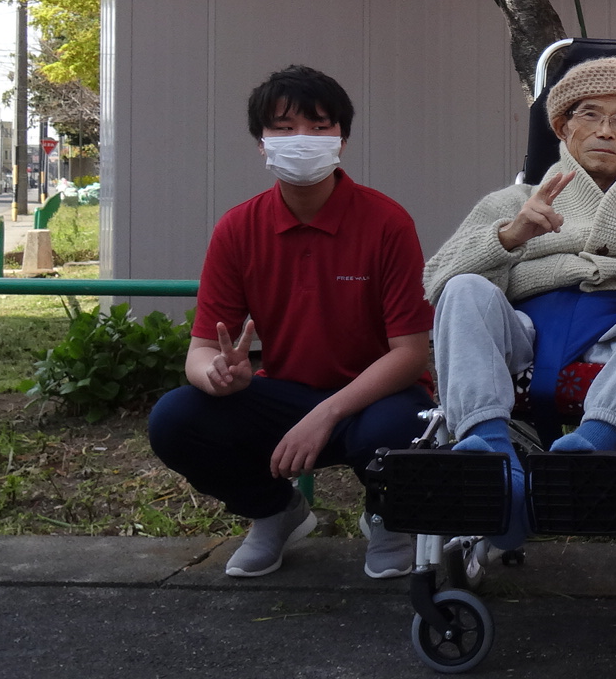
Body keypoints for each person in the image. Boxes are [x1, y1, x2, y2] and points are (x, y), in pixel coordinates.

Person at [148, 66, 435, 580]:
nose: (302, 139)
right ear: (261, 142)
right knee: (175, 418)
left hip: (376, 398)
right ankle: (275, 513)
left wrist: (326, 414)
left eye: (320, 125)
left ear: (341, 139)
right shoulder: (238, 228)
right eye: (283, 126)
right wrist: (216, 374)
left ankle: (389, 517)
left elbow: (410, 352)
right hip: (282, 395)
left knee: (400, 428)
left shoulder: (387, 222)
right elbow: (199, 350)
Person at [422, 57, 616, 550]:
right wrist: (510, 236)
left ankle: (586, 454)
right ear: (561, 125)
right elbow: (436, 278)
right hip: (525, 337)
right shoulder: (511, 200)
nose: (605, 129)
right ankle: (490, 458)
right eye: (589, 114)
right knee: (463, 288)